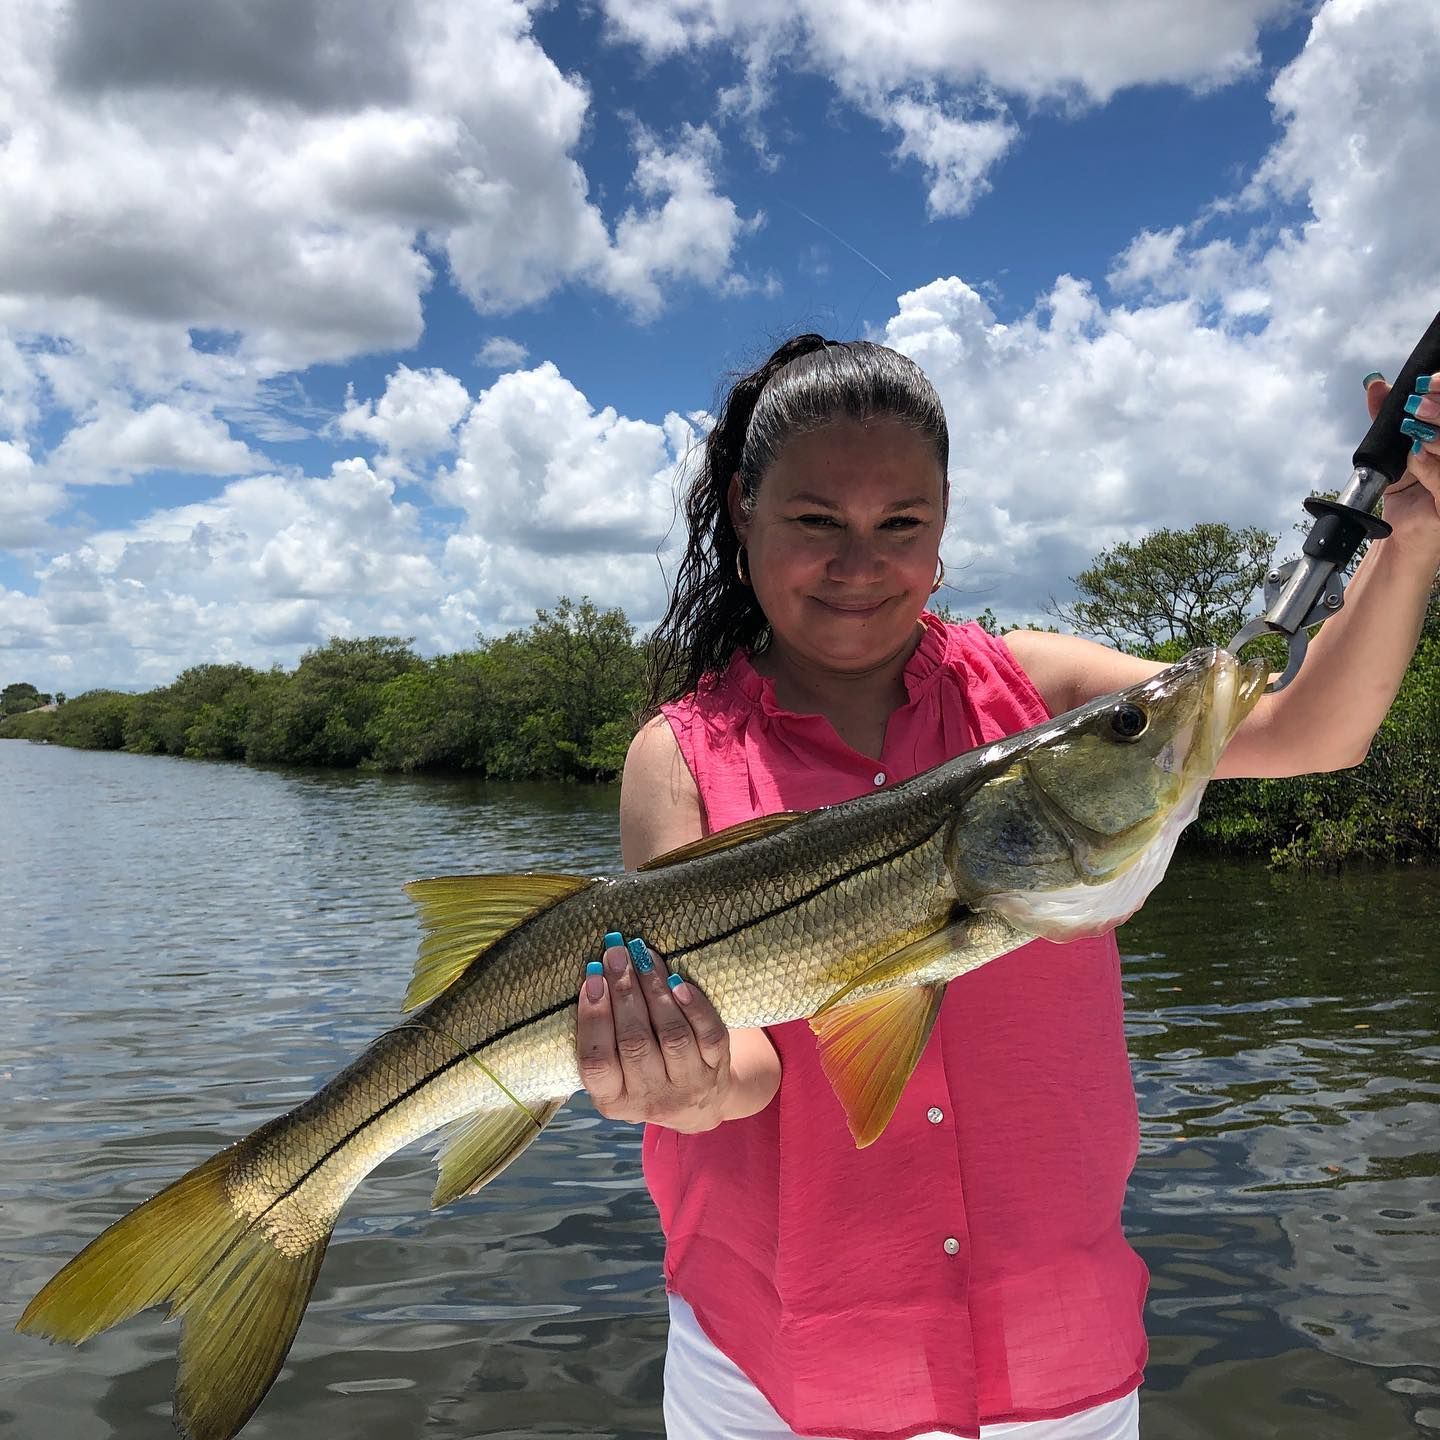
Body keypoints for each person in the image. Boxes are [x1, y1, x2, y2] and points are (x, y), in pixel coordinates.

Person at [573, 336, 1440, 1440]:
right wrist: (684, 1083)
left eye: (902, 524)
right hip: (777, 1363)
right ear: (743, 513)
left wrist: (1413, 537)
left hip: (1054, 1352)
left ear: (942, 531)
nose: (859, 563)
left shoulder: (1035, 688)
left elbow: (1313, 728)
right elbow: (745, 1058)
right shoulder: (679, 754)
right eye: (814, 521)